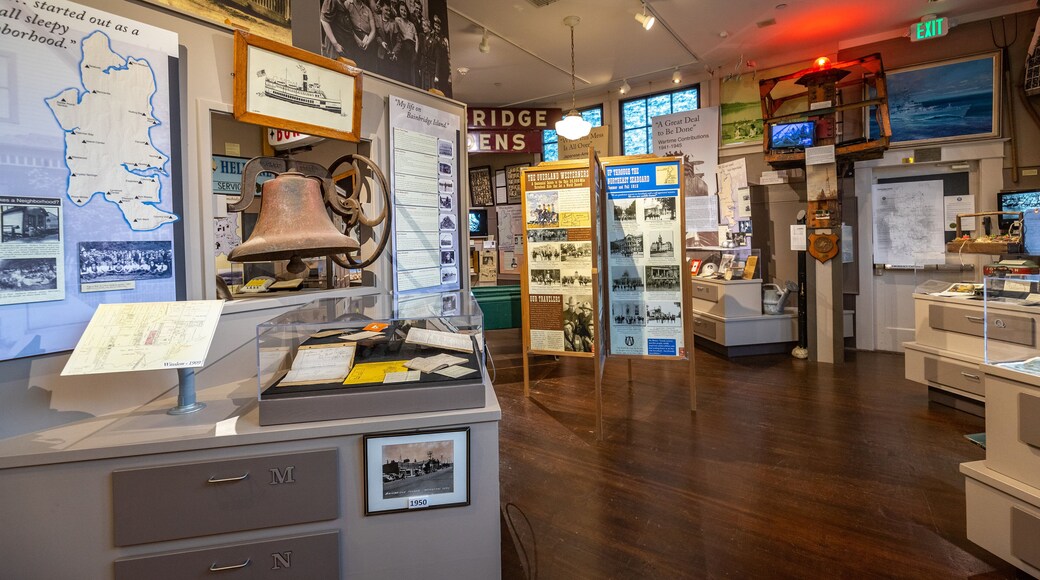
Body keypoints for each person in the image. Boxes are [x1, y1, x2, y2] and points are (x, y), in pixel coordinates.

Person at [395, 1, 418, 86]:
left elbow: (416, 38)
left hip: (411, 47)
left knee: (411, 71)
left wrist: (416, 51)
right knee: (403, 70)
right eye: (401, 10)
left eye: (405, 11)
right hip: (403, 47)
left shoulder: (411, 24)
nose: (403, 12)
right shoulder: (397, 20)